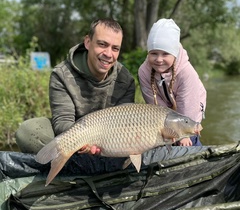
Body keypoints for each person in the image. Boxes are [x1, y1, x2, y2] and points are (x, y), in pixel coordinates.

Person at [16, 18, 135, 154]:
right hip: (74, 136)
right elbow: (62, 122)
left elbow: (124, 127)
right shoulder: (61, 74)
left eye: (115, 48)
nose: (108, 54)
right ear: (88, 42)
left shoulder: (125, 80)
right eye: (102, 44)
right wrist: (87, 142)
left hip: (111, 141)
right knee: (27, 131)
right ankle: (69, 160)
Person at [138, 18, 206, 146]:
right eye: (154, 53)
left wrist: (183, 134)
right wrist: (165, 128)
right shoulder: (144, 71)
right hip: (166, 108)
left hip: (191, 108)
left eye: (165, 54)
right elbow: (155, 107)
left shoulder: (186, 73)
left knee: (188, 142)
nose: (159, 59)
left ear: (174, 54)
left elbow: (188, 106)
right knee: (164, 138)